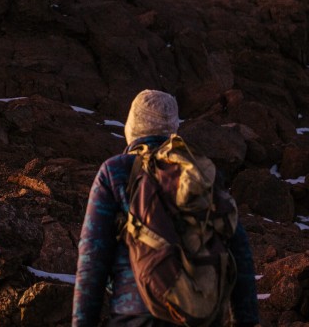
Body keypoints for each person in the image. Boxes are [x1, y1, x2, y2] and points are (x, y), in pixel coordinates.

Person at [72, 90, 260, 327]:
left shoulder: (116, 171)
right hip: (200, 315)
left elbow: (92, 257)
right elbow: (238, 250)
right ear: (173, 129)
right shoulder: (199, 174)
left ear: (132, 126)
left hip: (136, 314)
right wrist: (247, 321)